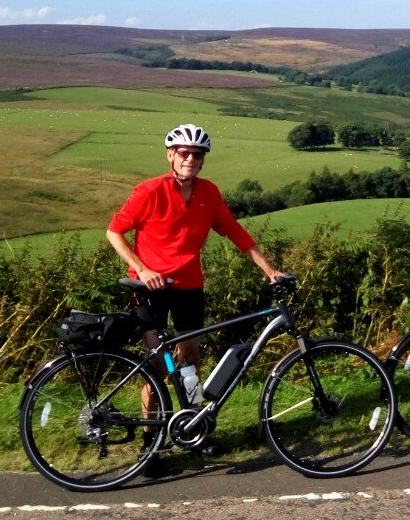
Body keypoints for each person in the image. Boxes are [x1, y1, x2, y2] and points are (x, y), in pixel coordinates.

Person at [106, 123, 283, 457]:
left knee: (190, 361)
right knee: (157, 367)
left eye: (197, 155)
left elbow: (234, 231)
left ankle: (193, 429)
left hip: (189, 286)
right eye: (184, 153)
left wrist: (270, 271)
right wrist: (142, 269)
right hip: (151, 288)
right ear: (171, 155)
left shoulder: (208, 192)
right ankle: (149, 443)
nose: (190, 159)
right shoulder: (149, 191)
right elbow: (114, 231)